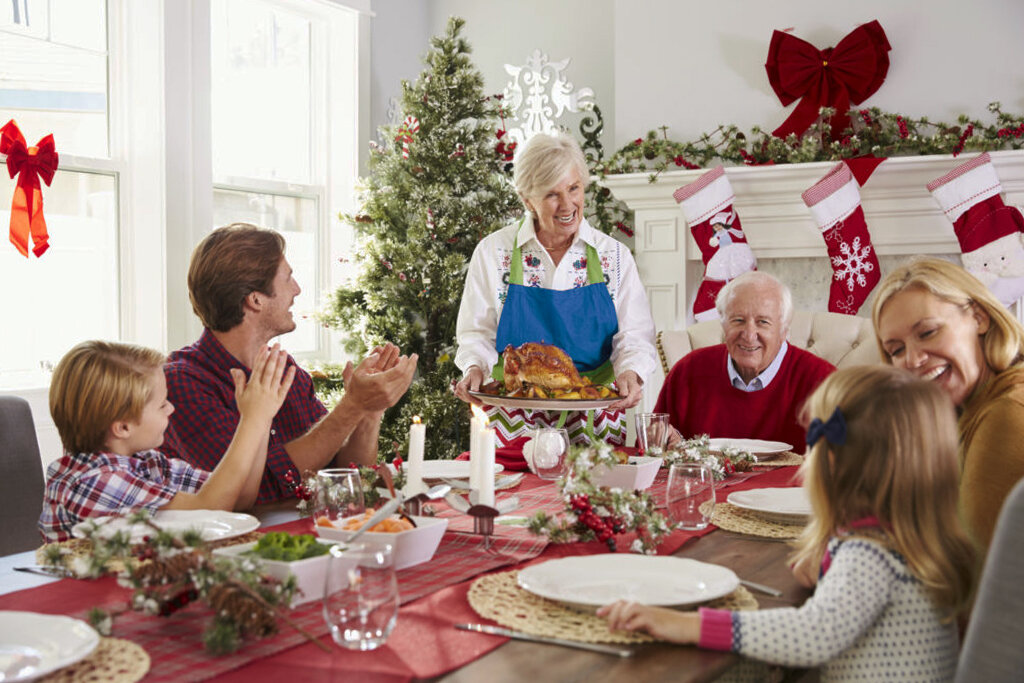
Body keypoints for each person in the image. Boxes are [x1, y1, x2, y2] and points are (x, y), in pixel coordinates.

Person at [600, 365, 977, 681]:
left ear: (830, 462)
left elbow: (813, 634)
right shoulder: (906, 541)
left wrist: (688, 625)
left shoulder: (869, 554)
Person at [164, 223, 417, 503]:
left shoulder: (287, 371)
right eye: (288, 279)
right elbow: (258, 493)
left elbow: (346, 477)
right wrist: (351, 405)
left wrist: (368, 411)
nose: (297, 290)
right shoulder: (182, 383)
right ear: (256, 299)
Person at [453, 132, 656, 446]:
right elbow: (476, 332)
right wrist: (474, 368)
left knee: (593, 494)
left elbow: (634, 335)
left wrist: (630, 372)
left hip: (594, 413)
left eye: (574, 188)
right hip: (512, 415)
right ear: (527, 199)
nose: (568, 205)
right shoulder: (494, 252)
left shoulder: (613, 256)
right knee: (514, 495)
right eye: (551, 194)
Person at [40, 341, 294, 542]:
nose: (171, 408)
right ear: (123, 427)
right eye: (162, 404)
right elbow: (210, 508)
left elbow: (239, 498)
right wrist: (251, 420)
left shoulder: (147, 462)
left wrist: (262, 418)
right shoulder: (92, 482)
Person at [873, 256, 1024, 549]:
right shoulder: (968, 406)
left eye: (928, 332)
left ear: (979, 317)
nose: (914, 360)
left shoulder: (1006, 413)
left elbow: (978, 577)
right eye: (897, 350)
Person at [655, 271, 834, 451]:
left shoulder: (824, 381)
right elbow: (649, 451)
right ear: (723, 324)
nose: (749, 335)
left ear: (784, 330)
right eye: (738, 320)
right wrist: (665, 442)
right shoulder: (688, 371)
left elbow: (847, 464)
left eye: (763, 322)